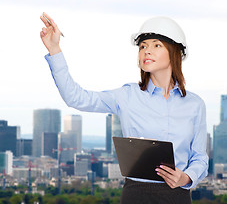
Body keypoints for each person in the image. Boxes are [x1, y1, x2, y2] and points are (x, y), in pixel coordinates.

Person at [40, 13, 208, 204]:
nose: (146, 51)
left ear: (175, 51)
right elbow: (75, 97)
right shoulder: (127, 96)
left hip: (178, 196)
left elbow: (200, 157)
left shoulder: (195, 104)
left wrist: (186, 178)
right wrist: (54, 49)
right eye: (142, 46)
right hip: (136, 195)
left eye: (156, 45)